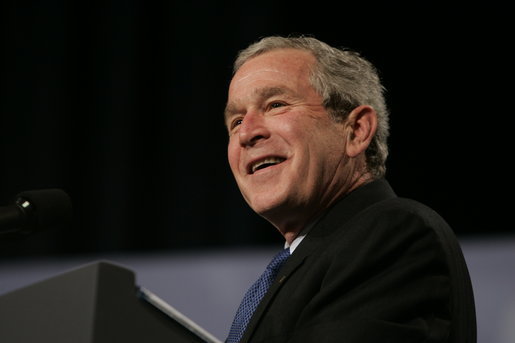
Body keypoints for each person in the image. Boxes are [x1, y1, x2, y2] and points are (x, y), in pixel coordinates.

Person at [223, 35, 476, 343]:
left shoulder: (391, 235)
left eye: (276, 104)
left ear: (356, 130)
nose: (246, 133)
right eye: (235, 121)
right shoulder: (303, 261)